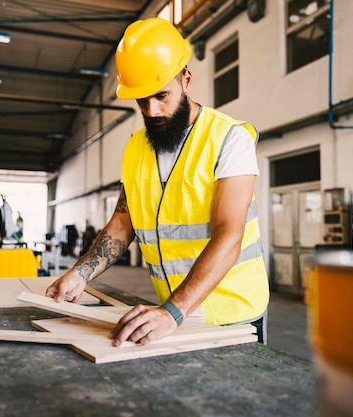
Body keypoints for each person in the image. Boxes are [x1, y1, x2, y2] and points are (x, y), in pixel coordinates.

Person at [46, 17, 269, 346]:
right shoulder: (137, 148)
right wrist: (80, 274)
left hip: (231, 316)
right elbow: (123, 224)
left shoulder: (229, 138)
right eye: (141, 101)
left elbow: (229, 236)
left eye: (161, 95)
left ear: (187, 79)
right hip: (171, 313)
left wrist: (172, 312)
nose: (152, 110)